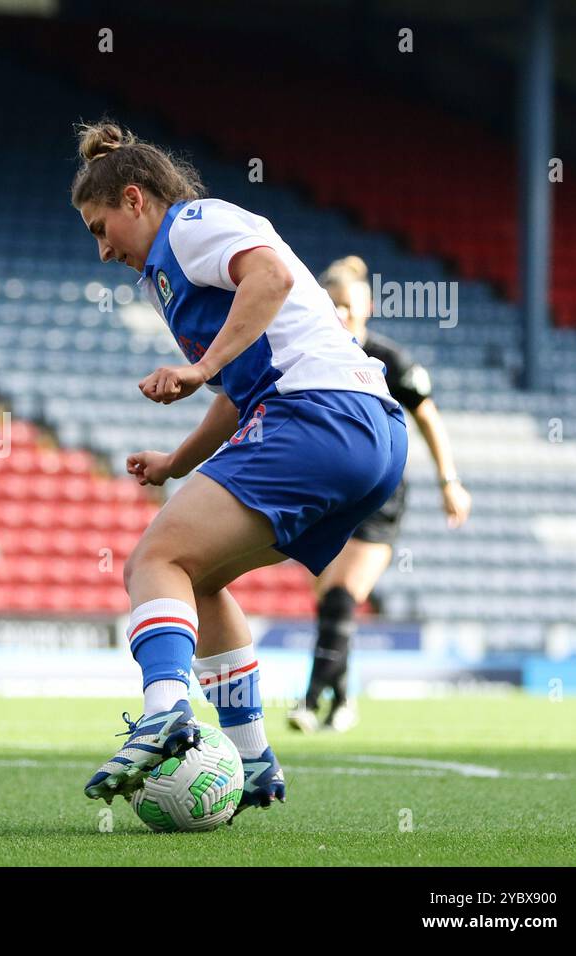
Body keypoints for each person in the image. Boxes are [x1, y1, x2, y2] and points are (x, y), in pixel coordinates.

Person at [71, 122, 407, 815]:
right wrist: (175, 460)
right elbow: (236, 390)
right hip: (364, 433)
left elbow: (274, 276)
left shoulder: (193, 223)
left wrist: (199, 365)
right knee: (199, 578)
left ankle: (164, 711)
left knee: (151, 562)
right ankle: (255, 760)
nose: (103, 250)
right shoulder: (175, 270)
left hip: (318, 415)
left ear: (135, 199)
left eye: (102, 228)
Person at [288, 256, 471, 733]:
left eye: (348, 305)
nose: (341, 314)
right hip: (327, 497)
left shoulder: (386, 360)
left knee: (343, 597)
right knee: (328, 600)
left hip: (380, 498)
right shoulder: (310, 357)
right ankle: (344, 701)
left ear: (366, 306)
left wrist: (448, 480)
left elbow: (427, 417)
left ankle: (308, 703)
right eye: (332, 306)